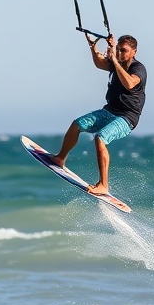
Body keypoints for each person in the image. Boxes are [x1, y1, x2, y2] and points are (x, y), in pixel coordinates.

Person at [49, 33, 147, 195]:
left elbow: (130, 84)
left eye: (124, 50)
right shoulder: (117, 62)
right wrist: (93, 47)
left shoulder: (138, 68)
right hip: (109, 111)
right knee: (77, 124)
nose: (120, 53)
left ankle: (103, 185)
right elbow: (99, 64)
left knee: (100, 138)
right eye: (118, 50)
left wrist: (115, 60)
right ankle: (60, 158)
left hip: (127, 117)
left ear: (134, 52)